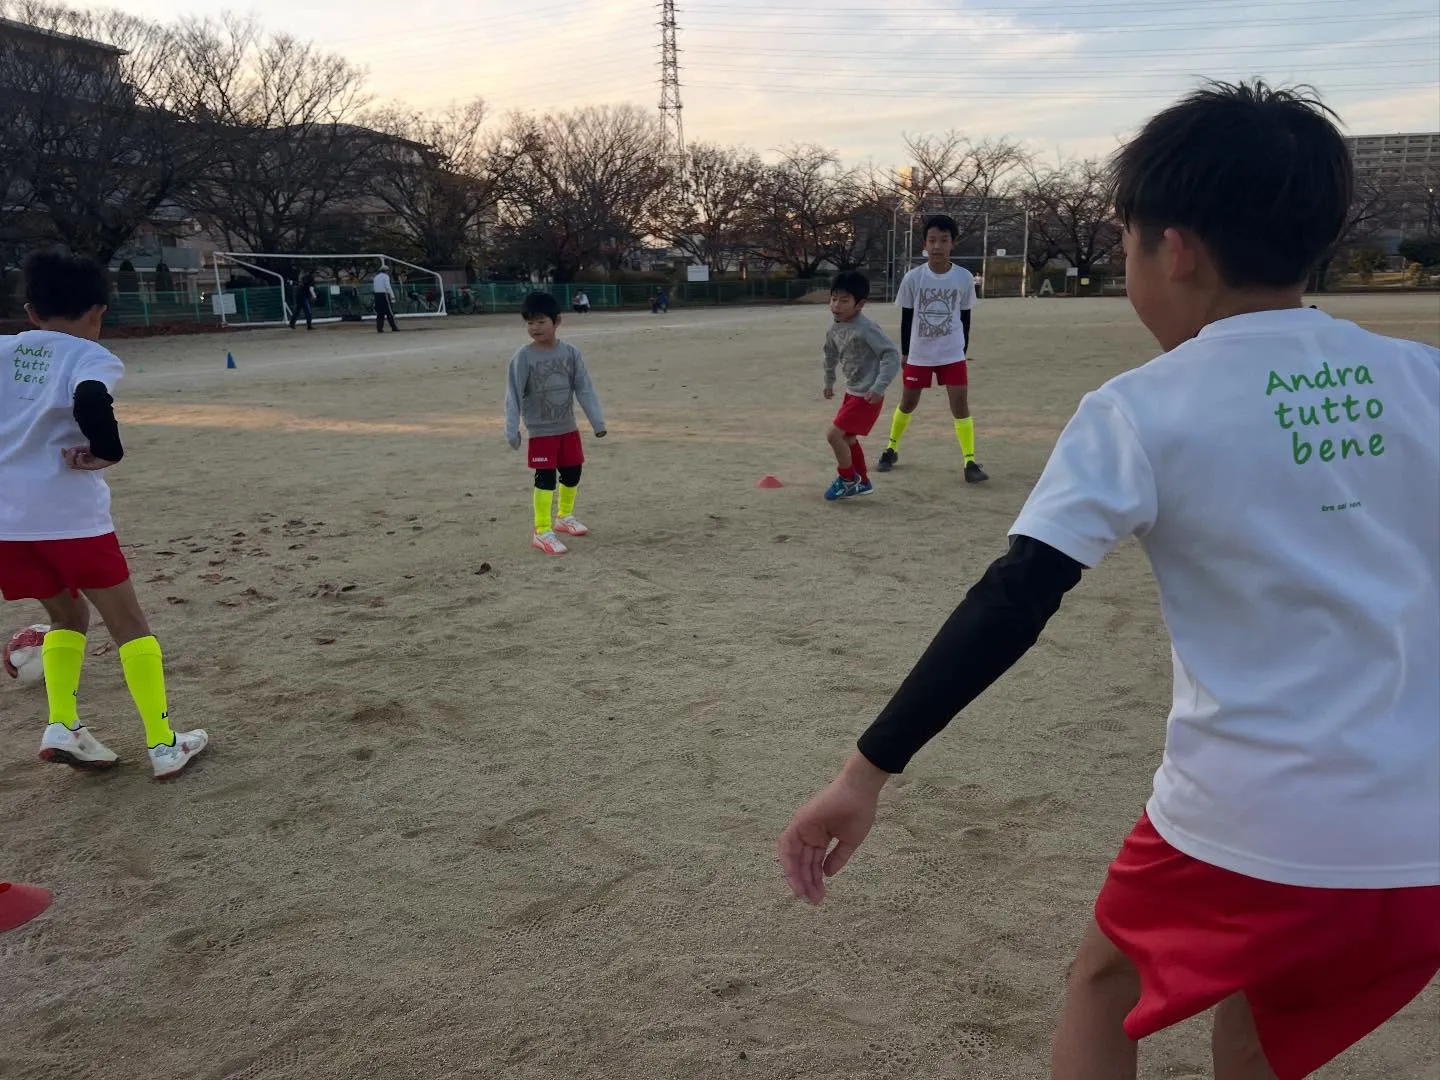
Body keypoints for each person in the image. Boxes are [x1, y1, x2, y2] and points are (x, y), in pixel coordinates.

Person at [777, 80, 1440, 1079]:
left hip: (1246, 821)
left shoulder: (1141, 407)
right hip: (1419, 840)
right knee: (1262, 1023)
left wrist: (864, 772)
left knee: (1104, 987)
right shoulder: (1423, 381)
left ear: (1173, 249)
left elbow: (1016, 597)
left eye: (1126, 242)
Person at [0, 250, 209, 779]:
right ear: (99, 311)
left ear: (30, 311)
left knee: (67, 617)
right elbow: (93, 400)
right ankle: (163, 743)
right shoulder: (86, 356)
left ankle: (63, 723)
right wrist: (106, 451)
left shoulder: (3, 352)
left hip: (8, 523)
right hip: (70, 517)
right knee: (130, 625)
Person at [876, 214, 988, 484]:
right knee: (908, 403)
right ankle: (891, 448)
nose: (937, 246)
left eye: (944, 240)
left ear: (953, 243)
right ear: (924, 243)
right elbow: (906, 317)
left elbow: (965, 317)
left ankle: (970, 460)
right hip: (920, 353)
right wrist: (905, 352)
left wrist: (963, 350)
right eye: (932, 240)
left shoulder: (962, 278)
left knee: (960, 405)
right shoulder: (914, 278)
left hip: (951, 353)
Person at [503, 292, 607, 556]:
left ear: (557, 321)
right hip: (541, 432)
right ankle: (541, 530)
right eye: (529, 323)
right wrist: (512, 428)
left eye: (540, 322)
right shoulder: (523, 357)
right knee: (545, 478)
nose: (534, 328)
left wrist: (597, 421)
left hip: (567, 428)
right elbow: (513, 393)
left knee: (573, 472)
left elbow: (584, 388)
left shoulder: (571, 353)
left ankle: (564, 516)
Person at [820, 270, 900, 501]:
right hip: (852, 392)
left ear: (860, 304)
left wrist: (879, 387)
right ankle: (862, 481)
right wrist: (829, 381)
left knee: (834, 435)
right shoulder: (835, 327)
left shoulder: (866, 328)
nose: (837, 305)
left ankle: (847, 480)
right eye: (834, 299)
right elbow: (830, 355)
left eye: (845, 301)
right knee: (848, 438)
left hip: (867, 395)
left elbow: (890, 355)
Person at [372, 263, 399, 333]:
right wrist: (392, 296)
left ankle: (379, 328)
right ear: (386, 271)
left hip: (377, 295)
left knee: (380, 313)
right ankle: (394, 327)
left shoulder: (376, 277)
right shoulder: (386, 276)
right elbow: (387, 286)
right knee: (389, 312)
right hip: (384, 295)